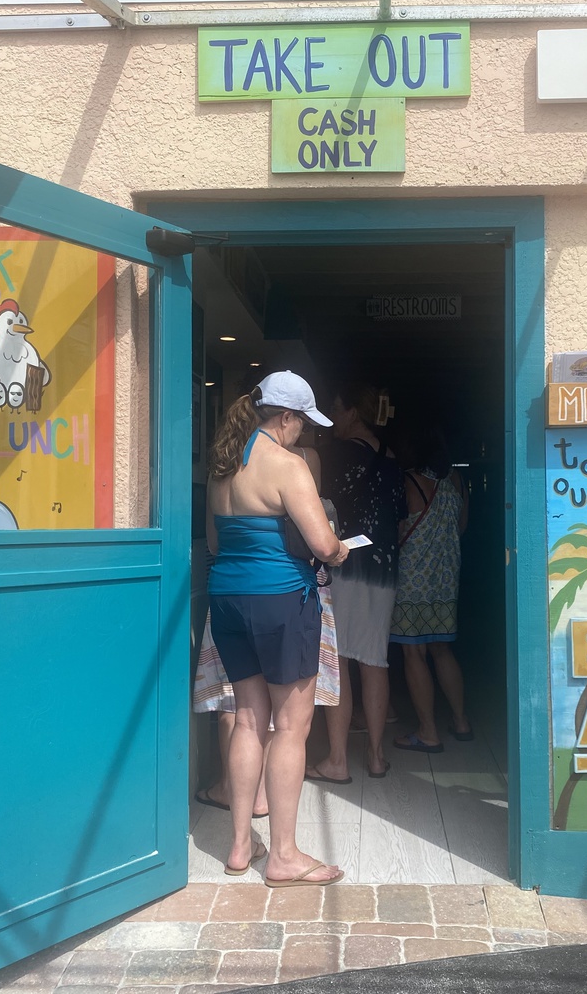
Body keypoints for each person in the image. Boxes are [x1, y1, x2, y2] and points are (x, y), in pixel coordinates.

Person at [207, 370, 348, 887]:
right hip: (282, 602)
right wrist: (342, 548)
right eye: (302, 424)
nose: (303, 434)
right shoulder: (287, 465)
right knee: (291, 728)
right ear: (285, 417)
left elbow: (216, 544)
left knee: (247, 718)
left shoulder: (224, 465)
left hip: (227, 598)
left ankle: (241, 845)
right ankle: (284, 855)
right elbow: (324, 545)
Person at [307, 383, 407, 783]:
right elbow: (398, 520)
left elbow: (316, 506)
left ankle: (336, 760)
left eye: (336, 408)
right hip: (384, 570)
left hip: (343, 564)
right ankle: (377, 755)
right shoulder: (392, 459)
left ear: (352, 413)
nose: (332, 418)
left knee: (340, 659)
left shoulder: (337, 455)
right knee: (374, 659)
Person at [389, 424, 473, 752]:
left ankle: (427, 731)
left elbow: (397, 532)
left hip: (412, 581)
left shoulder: (409, 481)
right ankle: (461, 721)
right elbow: (462, 526)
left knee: (414, 652)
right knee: (442, 649)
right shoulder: (456, 481)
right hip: (446, 579)